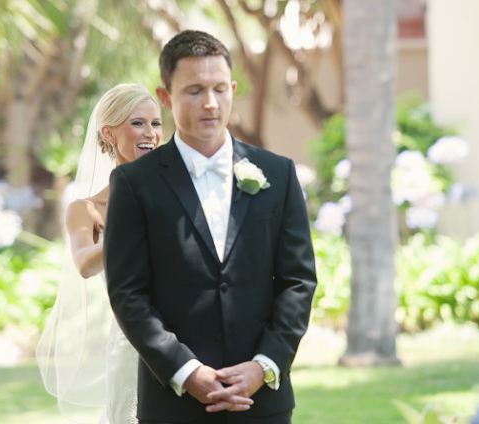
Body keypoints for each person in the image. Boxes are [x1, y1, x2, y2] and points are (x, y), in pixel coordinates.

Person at [103, 30, 317, 424]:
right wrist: (186, 371)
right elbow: (127, 292)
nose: (210, 103)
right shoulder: (134, 184)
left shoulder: (279, 174)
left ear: (232, 89)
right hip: (173, 406)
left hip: (263, 404)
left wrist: (264, 365)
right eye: (194, 90)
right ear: (165, 96)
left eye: (219, 89)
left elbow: (298, 281)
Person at [36, 83, 163, 424]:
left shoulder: (177, 196)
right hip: (132, 343)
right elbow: (84, 264)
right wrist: (130, 224)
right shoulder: (87, 209)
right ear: (109, 133)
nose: (150, 133)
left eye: (156, 123)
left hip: (193, 338)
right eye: (138, 123)